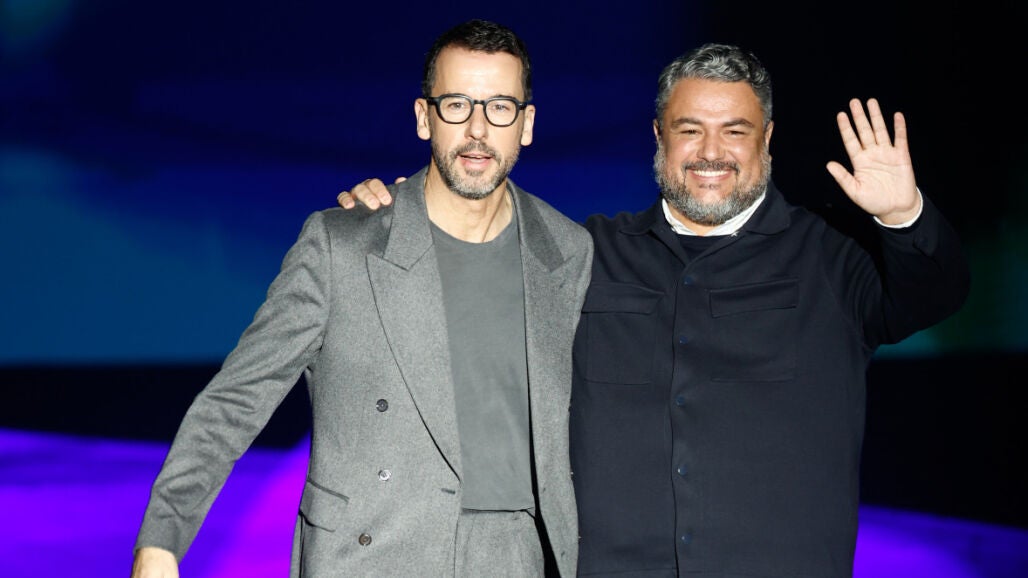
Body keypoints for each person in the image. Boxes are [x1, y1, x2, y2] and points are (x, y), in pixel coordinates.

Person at [335, 43, 970, 577]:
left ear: (768, 139)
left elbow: (937, 294)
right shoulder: (583, 253)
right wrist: (394, 221)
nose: (711, 152)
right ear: (659, 136)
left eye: (735, 131)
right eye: (690, 130)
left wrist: (902, 215)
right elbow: (465, 279)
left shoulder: (832, 254)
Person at [131, 19, 592, 578]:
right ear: (424, 117)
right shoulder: (342, 245)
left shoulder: (566, 251)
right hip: (374, 553)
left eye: (499, 107)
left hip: (517, 557)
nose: (477, 129)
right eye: (456, 105)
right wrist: (161, 539)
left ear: (527, 124)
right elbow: (238, 399)